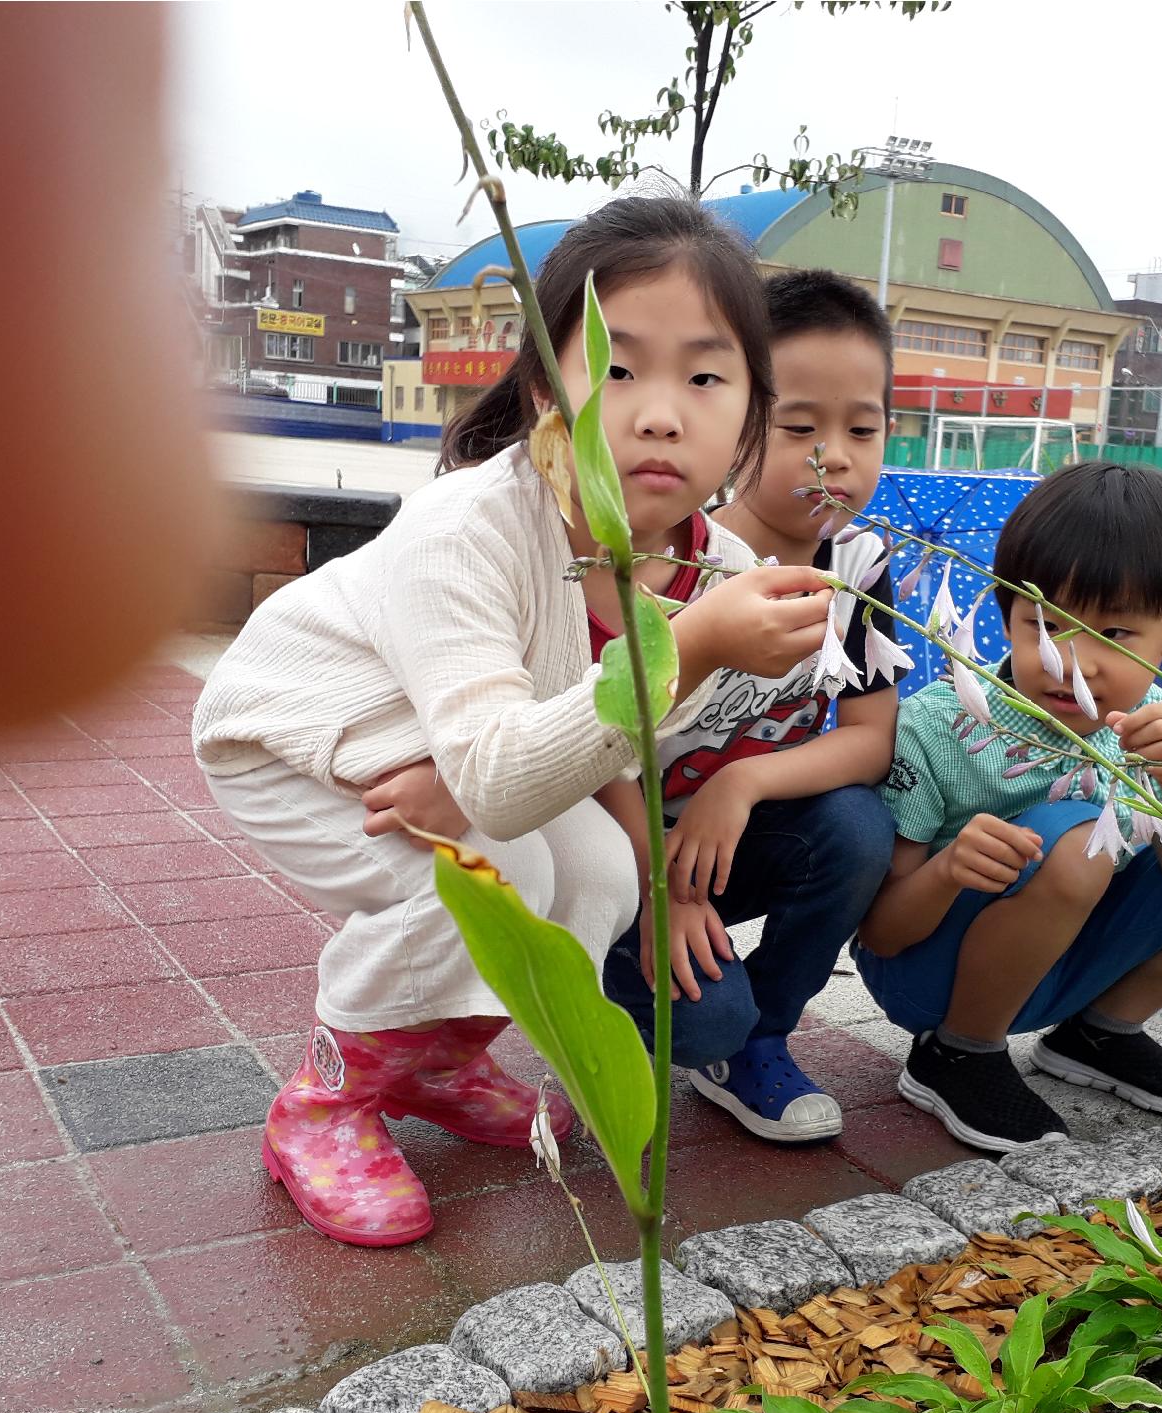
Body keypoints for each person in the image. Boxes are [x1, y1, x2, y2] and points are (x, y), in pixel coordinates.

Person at [190, 198, 836, 1246]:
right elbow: (503, 778)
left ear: (751, 409)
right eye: (617, 370)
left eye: (705, 377)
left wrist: (496, 775)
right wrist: (691, 653)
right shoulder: (469, 524)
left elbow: (581, 749)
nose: (661, 413)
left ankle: (438, 1063)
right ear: (546, 389)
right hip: (296, 733)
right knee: (493, 868)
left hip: (454, 744)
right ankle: (322, 1103)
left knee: (593, 874)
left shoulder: (719, 576)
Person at [854, 464, 1162, 1152]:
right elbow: (880, 936)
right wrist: (946, 872)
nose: (1072, 663)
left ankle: (1099, 1035)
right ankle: (958, 1055)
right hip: (932, 982)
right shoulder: (937, 727)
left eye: (1116, 634)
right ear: (1004, 611)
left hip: (1066, 962)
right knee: (1071, 843)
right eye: (1043, 624)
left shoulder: (1156, 722)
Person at [601, 270, 901, 1143]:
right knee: (695, 1021)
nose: (833, 457)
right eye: (799, 427)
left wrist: (744, 784)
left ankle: (759, 1041)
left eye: (861, 429)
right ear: (735, 426)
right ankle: (593, 980)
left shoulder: (861, 567)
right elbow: (597, 745)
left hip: (729, 843)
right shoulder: (674, 563)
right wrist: (659, 872)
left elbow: (872, 739)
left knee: (856, 827)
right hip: (625, 851)